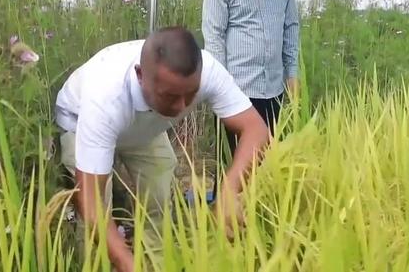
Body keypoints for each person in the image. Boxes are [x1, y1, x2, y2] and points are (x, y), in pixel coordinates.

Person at [54, 27, 270, 272]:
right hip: (78, 120)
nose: (181, 106)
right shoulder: (105, 98)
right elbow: (91, 203)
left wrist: (229, 190)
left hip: (145, 125)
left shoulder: (208, 71)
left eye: (191, 95)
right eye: (170, 96)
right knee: (98, 213)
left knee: (158, 188)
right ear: (140, 75)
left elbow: (256, 130)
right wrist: (126, 263)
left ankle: (155, 261)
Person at [202, 0, 302, 154]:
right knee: (234, 165)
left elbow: (290, 28)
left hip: (274, 91)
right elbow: (214, 40)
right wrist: (221, 93)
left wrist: (292, 74)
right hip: (237, 93)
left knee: (269, 164)